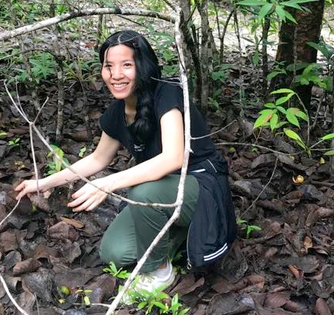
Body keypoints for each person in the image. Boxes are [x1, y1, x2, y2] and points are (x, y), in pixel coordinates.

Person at [15, 30, 236, 295]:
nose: (116, 75)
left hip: (200, 187)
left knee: (143, 190)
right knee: (114, 252)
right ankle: (179, 234)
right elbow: (98, 158)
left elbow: (173, 157)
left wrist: (107, 184)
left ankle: (160, 270)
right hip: (165, 193)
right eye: (109, 66)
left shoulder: (168, 93)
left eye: (126, 65)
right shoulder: (117, 112)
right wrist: (43, 182)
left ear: (143, 67)